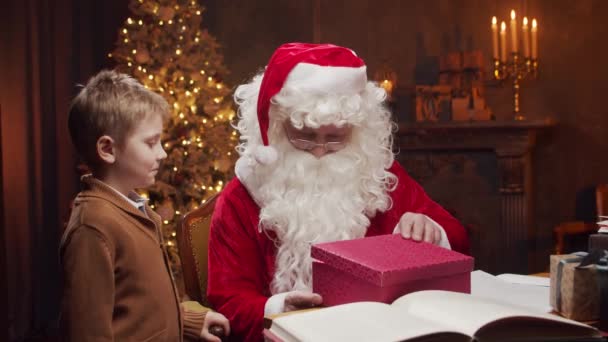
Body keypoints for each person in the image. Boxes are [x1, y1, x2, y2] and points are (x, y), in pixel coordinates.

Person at [207, 43, 470, 341]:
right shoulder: (242, 197)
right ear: (277, 127)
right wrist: (278, 309)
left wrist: (430, 230)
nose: (319, 151)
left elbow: (457, 236)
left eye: (335, 138)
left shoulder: (377, 175)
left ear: (357, 131)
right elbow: (228, 300)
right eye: (304, 136)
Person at [60, 70, 230, 341]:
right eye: (151, 143)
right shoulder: (93, 227)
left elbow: (138, 305)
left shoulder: (136, 209)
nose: (162, 153)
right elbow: (87, 332)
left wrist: (188, 321)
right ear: (107, 149)